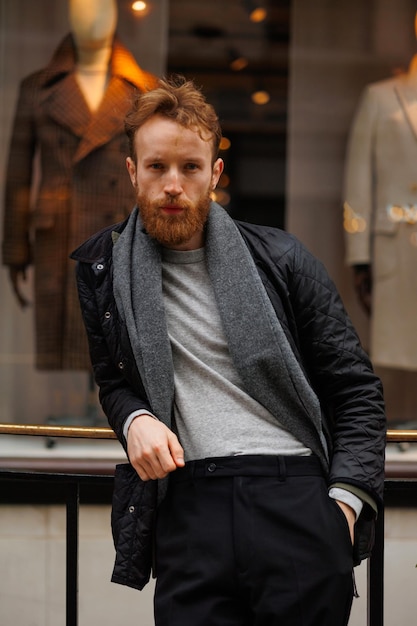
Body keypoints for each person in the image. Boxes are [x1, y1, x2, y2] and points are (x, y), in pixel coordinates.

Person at [72, 75, 386, 626]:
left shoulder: (282, 258)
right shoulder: (105, 271)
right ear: (132, 172)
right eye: (156, 167)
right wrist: (136, 418)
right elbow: (113, 381)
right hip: (191, 505)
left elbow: (356, 388)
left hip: (295, 499)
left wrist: (343, 506)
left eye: (190, 167)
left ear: (215, 172)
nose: (173, 184)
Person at [2, 0, 157, 369]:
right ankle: (71, 414)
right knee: (69, 353)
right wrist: (15, 250)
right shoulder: (37, 89)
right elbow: (18, 176)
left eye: (102, 7)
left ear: (118, 14)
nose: (91, 17)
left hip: (119, 231)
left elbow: (154, 171)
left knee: (116, 343)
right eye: (80, 7)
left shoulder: (146, 91)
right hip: (59, 233)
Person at [343, 13, 417, 424]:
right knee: (390, 350)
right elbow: (358, 183)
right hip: (394, 242)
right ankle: (383, 431)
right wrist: (359, 253)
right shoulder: (380, 97)